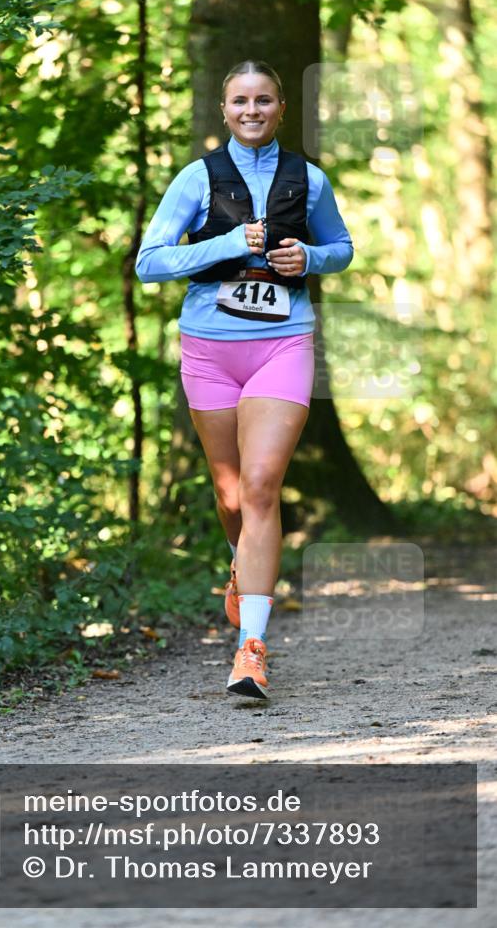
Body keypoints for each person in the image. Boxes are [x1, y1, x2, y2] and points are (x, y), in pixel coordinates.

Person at [136, 60, 353, 700]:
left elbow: (340, 248)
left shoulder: (308, 180)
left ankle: (250, 649)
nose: (251, 110)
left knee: (261, 487)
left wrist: (308, 256)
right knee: (230, 494)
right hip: (209, 348)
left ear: (281, 108)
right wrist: (227, 244)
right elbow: (151, 262)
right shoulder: (196, 178)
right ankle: (241, 566)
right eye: (239, 101)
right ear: (223, 110)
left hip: (283, 342)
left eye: (263, 100)